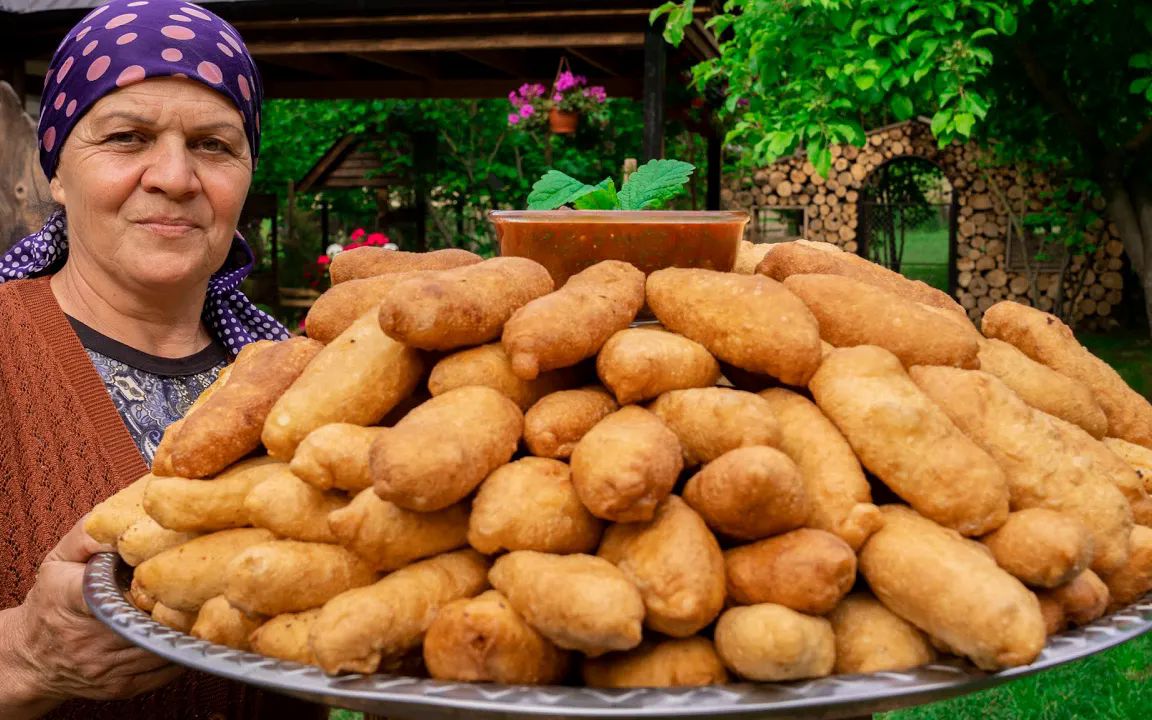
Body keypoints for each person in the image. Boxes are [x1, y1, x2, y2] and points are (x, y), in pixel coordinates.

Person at [0, 2, 324, 718]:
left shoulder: (305, 383)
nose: (175, 177)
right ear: (55, 171)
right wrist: (25, 653)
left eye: (214, 145)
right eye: (127, 137)